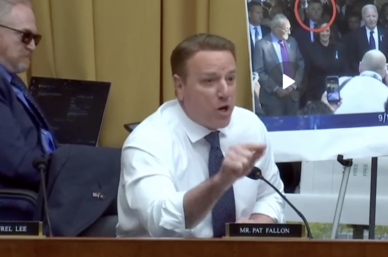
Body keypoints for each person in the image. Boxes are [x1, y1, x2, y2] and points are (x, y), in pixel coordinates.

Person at [117, 34, 285, 238]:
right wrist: (220, 182)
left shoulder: (250, 126)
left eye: (230, 78)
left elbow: (271, 196)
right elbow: (161, 223)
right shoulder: (147, 142)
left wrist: (254, 226)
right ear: (180, 86)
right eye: (210, 81)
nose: (225, 91)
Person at [0, 0, 55, 221]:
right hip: (6, 207)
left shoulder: (5, 77)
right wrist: (71, 176)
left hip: (35, 196)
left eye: (35, 38)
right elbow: (15, 163)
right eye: (25, 36)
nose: (32, 46)